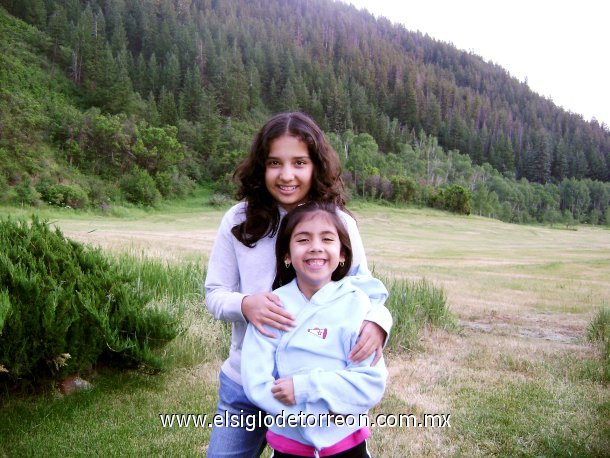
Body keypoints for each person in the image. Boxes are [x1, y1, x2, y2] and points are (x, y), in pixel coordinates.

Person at [205, 112, 392, 457]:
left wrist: (380, 323)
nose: (287, 175)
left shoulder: (339, 223)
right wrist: (246, 305)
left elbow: (364, 288)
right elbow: (214, 294)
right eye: (275, 162)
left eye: (299, 162)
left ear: (316, 166)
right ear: (261, 166)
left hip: (315, 386)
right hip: (246, 382)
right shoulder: (237, 220)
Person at [242, 201, 388, 457]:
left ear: (343, 253)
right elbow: (258, 384)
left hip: (347, 444)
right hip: (289, 447)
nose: (316, 247)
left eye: (327, 239)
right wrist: (315, 415)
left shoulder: (357, 304)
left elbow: (370, 383)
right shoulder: (273, 306)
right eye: (303, 239)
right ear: (287, 255)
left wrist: (305, 387)